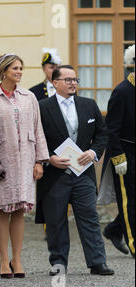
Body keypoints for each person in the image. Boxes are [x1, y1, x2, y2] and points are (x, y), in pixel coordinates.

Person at [36, 65, 114, 276]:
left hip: (83, 173)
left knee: (89, 216)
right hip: (54, 174)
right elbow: (36, 137)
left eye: (75, 79)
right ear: (55, 83)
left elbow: (102, 134)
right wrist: (48, 158)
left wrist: (93, 152)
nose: (73, 83)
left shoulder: (88, 105)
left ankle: (97, 262)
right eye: (68, 79)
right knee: (56, 221)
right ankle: (59, 263)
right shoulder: (42, 107)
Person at [0, 54, 49, 278]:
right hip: (1, 162)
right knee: (2, 211)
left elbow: (38, 130)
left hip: (26, 161)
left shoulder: (29, 97)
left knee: (20, 210)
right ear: (3, 71)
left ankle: (17, 259)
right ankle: (3, 261)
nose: (19, 71)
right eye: (14, 68)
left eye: (21, 68)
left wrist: (40, 160)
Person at [98, 44, 135, 257]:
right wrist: (118, 157)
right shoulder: (121, 92)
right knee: (129, 199)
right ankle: (133, 242)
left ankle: (114, 229)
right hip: (126, 153)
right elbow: (111, 129)